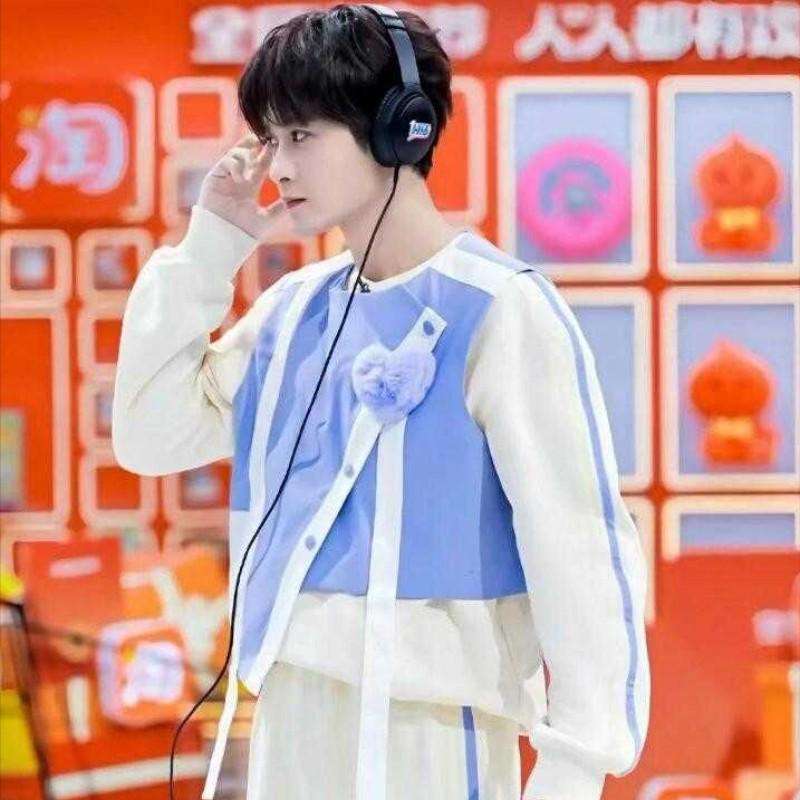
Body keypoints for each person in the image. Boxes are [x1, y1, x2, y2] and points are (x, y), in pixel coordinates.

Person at [112, 4, 651, 800]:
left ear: (402, 127)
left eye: (302, 135)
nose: (278, 166)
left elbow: (579, 553)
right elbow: (149, 435)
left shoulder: (501, 310)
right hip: (291, 714)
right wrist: (209, 248)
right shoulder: (293, 313)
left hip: (431, 731)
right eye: (271, 138)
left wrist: (572, 770)